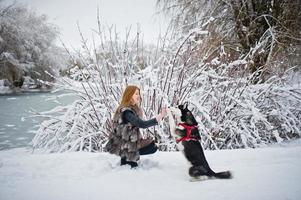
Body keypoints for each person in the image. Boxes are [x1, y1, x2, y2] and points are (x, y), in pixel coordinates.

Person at [105, 85, 167, 168]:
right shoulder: (127, 112)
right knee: (152, 146)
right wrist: (159, 117)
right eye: (136, 94)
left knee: (153, 145)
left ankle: (128, 159)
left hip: (127, 145)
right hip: (127, 147)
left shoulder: (128, 109)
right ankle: (127, 159)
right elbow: (141, 124)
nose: (139, 96)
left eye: (139, 94)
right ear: (130, 95)